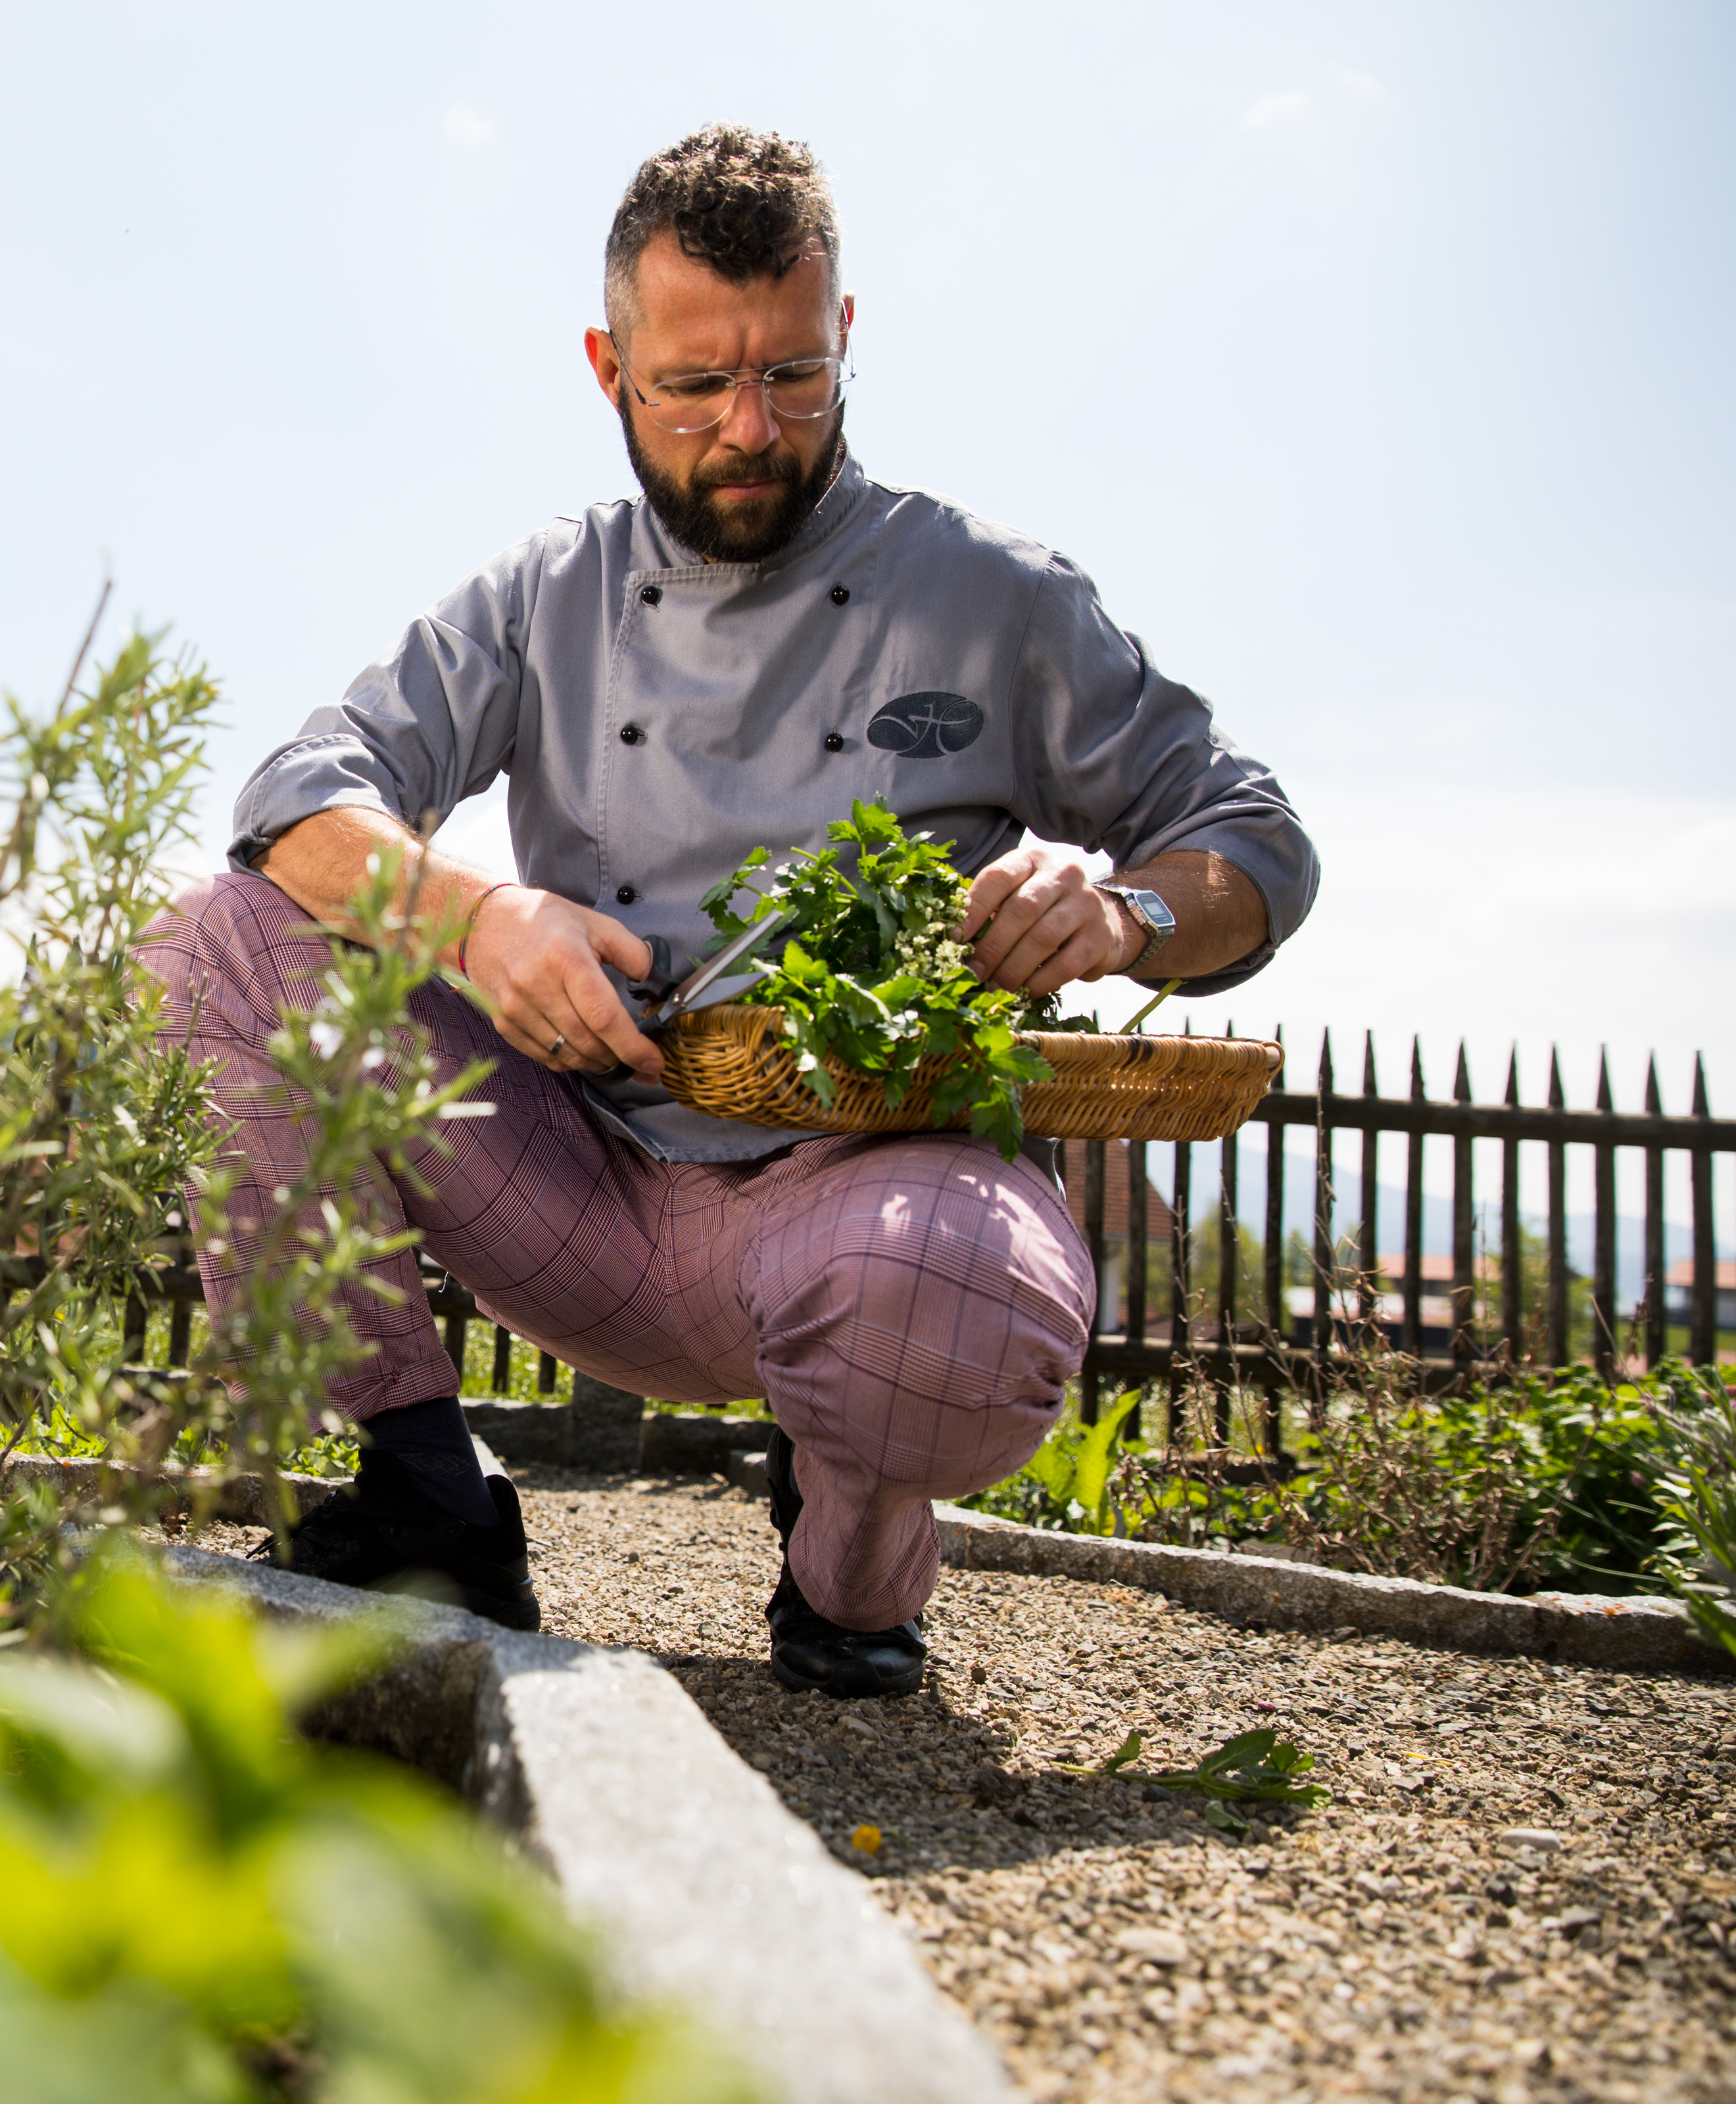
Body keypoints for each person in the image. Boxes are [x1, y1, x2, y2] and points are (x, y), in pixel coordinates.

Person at [135, 124, 1318, 1697]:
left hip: (865, 1201)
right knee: (217, 938)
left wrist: (1126, 913)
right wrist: (475, 920)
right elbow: (300, 797)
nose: (749, 429)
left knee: (960, 1300)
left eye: (794, 378)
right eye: (694, 385)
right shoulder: (544, 591)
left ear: (846, 337)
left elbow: (1253, 837)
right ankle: (426, 1496)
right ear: (608, 364)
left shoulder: (995, 593)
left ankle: (850, 1567)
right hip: (575, 1183)